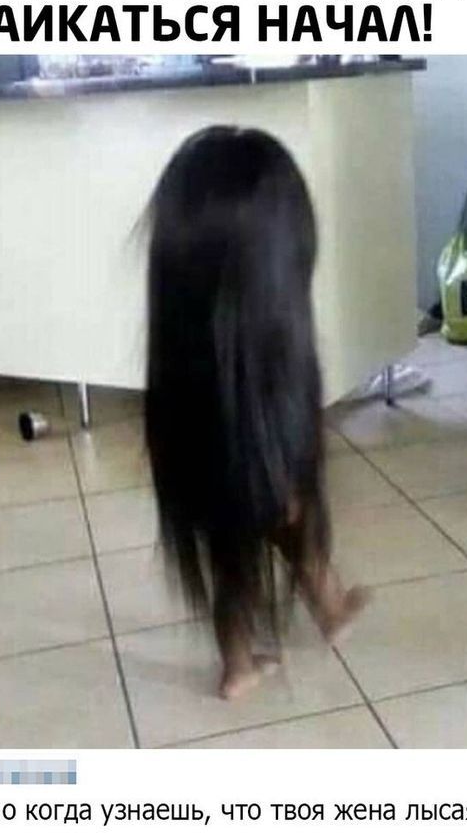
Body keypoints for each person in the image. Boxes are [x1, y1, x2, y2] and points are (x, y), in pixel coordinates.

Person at [145, 126, 368, 700]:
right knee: (278, 521)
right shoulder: (276, 347)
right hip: (262, 468)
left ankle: (243, 662)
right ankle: (314, 614)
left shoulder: (180, 345)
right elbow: (287, 480)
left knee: (230, 556)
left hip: (201, 462)